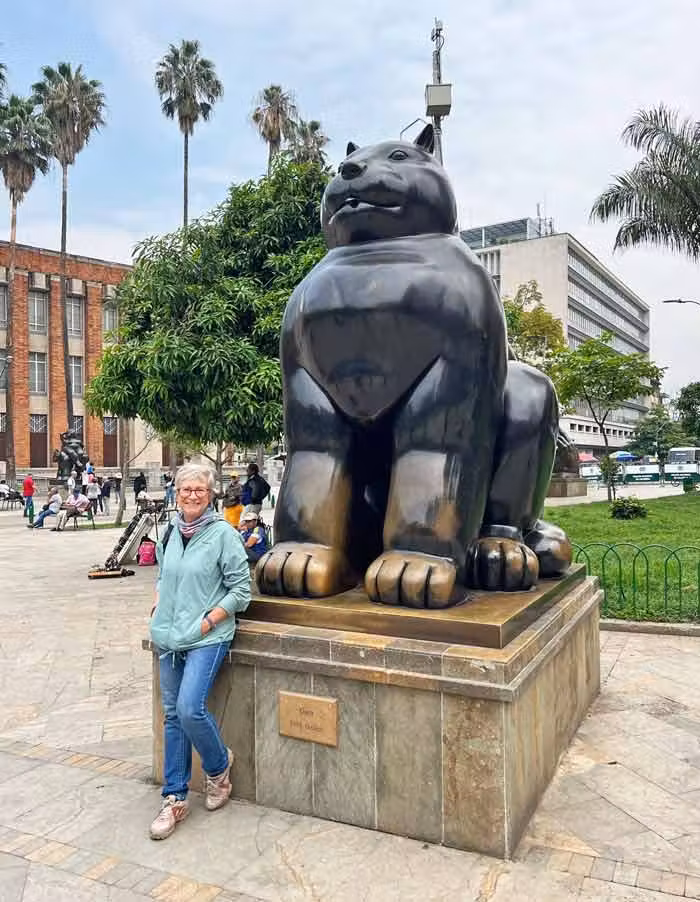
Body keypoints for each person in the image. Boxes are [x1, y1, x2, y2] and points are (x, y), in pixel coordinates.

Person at [149, 462, 251, 841]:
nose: (192, 495)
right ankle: (174, 797)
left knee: (190, 707)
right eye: (186, 489)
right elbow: (163, 574)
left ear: (211, 495)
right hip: (169, 637)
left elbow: (241, 591)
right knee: (173, 715)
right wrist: (158, 603)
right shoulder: (171, 533)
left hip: (208, 636)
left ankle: (219, 766)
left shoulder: (223, 534)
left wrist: (210, 621)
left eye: (200, 490)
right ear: (176, 492)